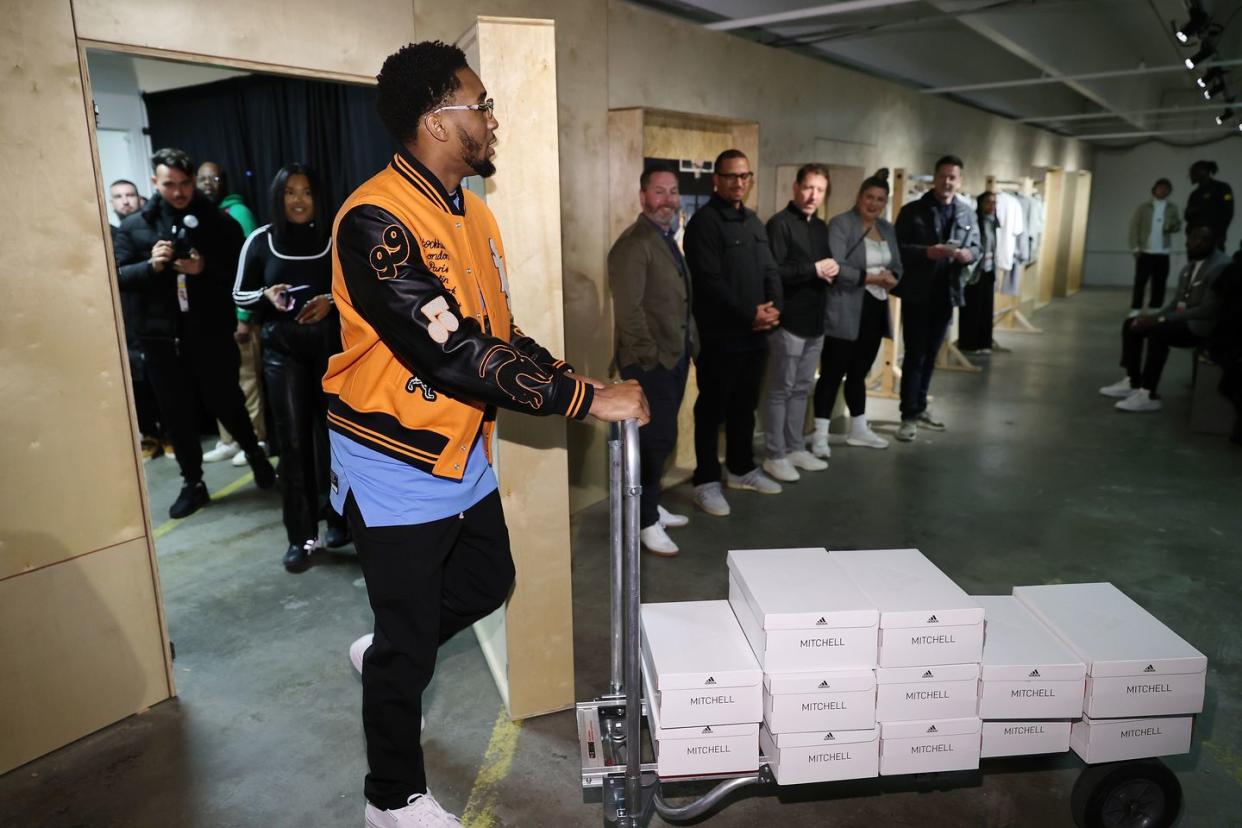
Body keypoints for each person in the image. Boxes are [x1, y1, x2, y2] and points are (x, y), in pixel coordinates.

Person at [325, 42, 647, 828]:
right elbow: (449, 350)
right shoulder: (376, 221)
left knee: (486, 577)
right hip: (394, 456)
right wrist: (581, 403)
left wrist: (586, 383)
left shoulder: (473, 212)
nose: (492, 118)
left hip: (462, 446)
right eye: (482, 104)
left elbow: (495, 333)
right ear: (438, 121)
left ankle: (391, 651)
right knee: (406, 647)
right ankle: (391, 797)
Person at [114, 147, 275, 518]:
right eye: (170, 184)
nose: (179, 192)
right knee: (177, 415)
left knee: (229, 403)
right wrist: (150, 266)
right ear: (154, 182)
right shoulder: (134, 226)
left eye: (185, 184)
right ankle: (193, 483)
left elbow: (243, 275)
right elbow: (118, 276)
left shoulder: (219, 222)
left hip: (210, 333)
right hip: (160, 341)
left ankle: (255, 455)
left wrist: (205, 269)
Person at [233, 164, 348, 572]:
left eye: (307, 192)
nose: (299, 200)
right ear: (279, 197)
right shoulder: (260, 240)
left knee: (336, 440)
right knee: (295, 445)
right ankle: (302, 536)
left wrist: (329, 302)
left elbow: (356, 288)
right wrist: (268, 295)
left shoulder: (334, 238)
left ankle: (339, 518)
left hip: (331, 352)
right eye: (291, 193)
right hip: (283, 354)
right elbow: (240, 292)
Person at [684, 149, 783, 517]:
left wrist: (774, 309)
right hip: (721, 338)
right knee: (712, 410)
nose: (738, 182)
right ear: (717, 179)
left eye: (744, 176)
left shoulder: (754, 222)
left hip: (756, 337)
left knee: (744, 408)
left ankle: (741, 469)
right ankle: (706, 480)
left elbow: (771, 270)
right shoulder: (704, 224)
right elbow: (710, 282)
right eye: (730, 176)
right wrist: (749, 314)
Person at [608, 161, 698, 556]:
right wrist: (652, 359)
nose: (668, 199)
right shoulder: (634, 243)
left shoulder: (666, 236)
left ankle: (650, 504)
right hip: (650, 364)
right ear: (643, 196)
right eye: (659, 192)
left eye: (673, 191)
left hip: (673, 358)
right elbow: (629, 313)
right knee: (650, 442)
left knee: (662, 441)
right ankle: (643, 521)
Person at [892, 154, 981, 443]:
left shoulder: (967, 212)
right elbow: (897, 249)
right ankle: (908, 415)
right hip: (918, 293)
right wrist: (925, 253)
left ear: (960, 180)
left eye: (952, 177)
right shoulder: (913, 211)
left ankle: (920, 408)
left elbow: (977, 246)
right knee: (915, 354)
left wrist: (969, 255)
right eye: (942, 176)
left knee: (931, 355)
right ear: (934, 177)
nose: (947, 181)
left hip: (947, 292)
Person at [1100, 225, 1230, 412]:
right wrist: (1153, 317)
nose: (1198, 243)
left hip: (1202, 326)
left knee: (1160, 333)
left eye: (1205, 239)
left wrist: (1163, 320)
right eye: (1194, 238)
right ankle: (1133, 381)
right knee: (1132, 324)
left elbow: (1208, 310)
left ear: (1215, 242)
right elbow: (1177, 302)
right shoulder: (1190, 266)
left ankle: (1148, 394)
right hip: (1184, 319)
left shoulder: (1220, 266)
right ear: (1187, 240)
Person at [817, 170, 903, 451]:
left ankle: (859, 429)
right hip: (845, 307)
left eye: (880, 199)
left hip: (875, 308)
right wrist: (872, 278)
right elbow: (836, 265)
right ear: (859, 197)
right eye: (869, 197)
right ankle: (819, 435)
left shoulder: (888, 228)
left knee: (859, 372)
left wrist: (893, 278)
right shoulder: (841, 224)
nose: (874, 204)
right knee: (832, 371)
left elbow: (898, 265)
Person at [761, 163, 837, 482]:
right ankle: (774, 453)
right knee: (781, 389)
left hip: (815, 320)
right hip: (788, 320)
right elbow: (773, 270)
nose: (813, 195)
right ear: (795, 187)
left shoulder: (820, 227)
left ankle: (794, 447)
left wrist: (830, 269)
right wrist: (814, 269)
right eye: (808, 188)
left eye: (819, 190)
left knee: (802, 388)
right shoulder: (779, 224)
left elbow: (821, 266)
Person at [197, 161, 266, 463]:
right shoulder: (200, 215)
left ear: (223, 180)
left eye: (213, 177)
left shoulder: (238, 214)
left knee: (247, 378)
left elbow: (249, 269)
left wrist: (244, 316)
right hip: (212, 318)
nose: (208, 183)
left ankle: (257, 438)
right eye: (202, 179)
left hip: (239, 315)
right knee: (220, 380)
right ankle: (230, 440)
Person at [1128, 178, 1183, 315]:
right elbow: (1134, 227)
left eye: (1166, 188)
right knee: (1140, 282)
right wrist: (1135, 247)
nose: (1163, 191)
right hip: (1145, 251)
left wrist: (1174, 226)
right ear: (1154, 189)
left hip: (1163, 252)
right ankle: (1136, 308)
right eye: (1160, 188)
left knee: (1160, 282)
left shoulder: (1172, 208)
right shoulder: (1143, 207)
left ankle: (1155, 307)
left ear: (1169, 191)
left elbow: (1176, 227)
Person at [958, 191, 998, 352]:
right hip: (974, 271)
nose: (992, 206)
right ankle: (969, 343)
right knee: (971, 308)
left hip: (988, 270)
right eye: (988, 202)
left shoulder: (993, 222)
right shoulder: (974, 221)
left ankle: (984, 342)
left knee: (986, 308)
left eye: (994, 202)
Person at [1185, 160, 1233, 251]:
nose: (1190, 175)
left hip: (1214, 238)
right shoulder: (1194, 194)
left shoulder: (1222, 188)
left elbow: (1227, 212)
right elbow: (1187, 215)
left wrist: (1219, 233)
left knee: (1215, 264)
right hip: (1195, 240)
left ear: (1203, 172)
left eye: (1193, 172)